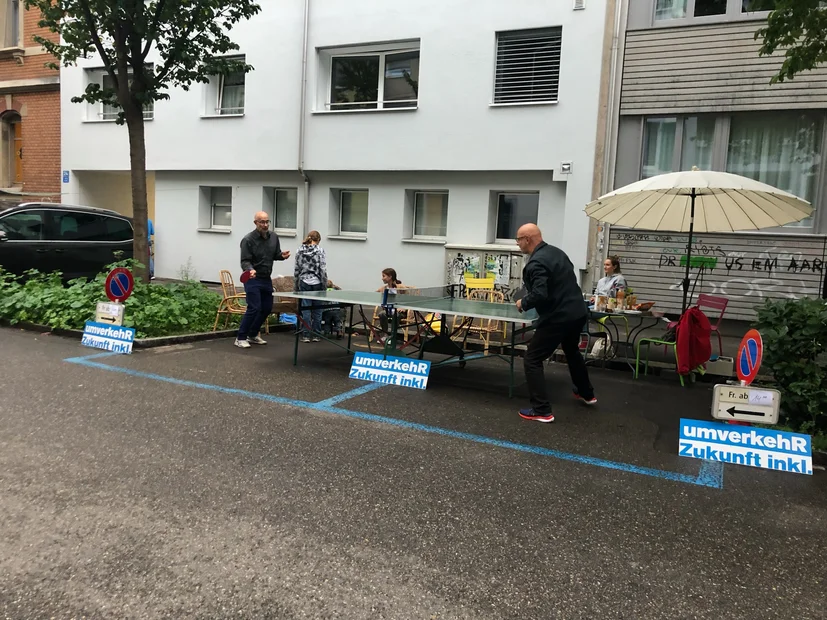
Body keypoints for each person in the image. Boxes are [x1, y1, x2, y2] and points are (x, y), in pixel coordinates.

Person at [515, 224, 596, 423]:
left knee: (532, 359)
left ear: (527, 239)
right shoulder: (557, 253)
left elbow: (540, 293)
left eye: (518, 240)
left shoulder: (536, 263)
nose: (517, 244)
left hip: (558, 317)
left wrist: (523, 302)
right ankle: (587, 393)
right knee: (571, 350)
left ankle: (542, 410)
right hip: (577, 313)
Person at [235, 211, 290, 349]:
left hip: (266, 278)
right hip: (252, 278)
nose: (265, 225)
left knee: (266, 308)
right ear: (256, 223)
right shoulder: (248, 240)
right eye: (262, 222)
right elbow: (245, 261)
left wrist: (281, 256)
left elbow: (275, 254)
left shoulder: (274, 237)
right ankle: (240, 337)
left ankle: (253, 334)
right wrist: (250, 269)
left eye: (267, 222)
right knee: (254, 307)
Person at [294, 230, 327, 343]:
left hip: (304, 281)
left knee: (306, 309)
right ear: (318, 240)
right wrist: (324, 284)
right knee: (318, 309)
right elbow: (322, 269)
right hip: (317, 282)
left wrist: (296, 284)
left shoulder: (299, 250)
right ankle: (317, 334)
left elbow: (297, 269)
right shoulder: (320, 250)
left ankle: (306, 335)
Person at [374, 268, 405, 342]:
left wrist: (403, 308)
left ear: (390, 277)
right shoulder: (384, 288)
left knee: (396, 315)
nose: (382, 278)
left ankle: (393, 335)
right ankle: (385, 335)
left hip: (400, 311)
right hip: (388, 310)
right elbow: (374, 295)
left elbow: (408, 299)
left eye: (384, 276)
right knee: (382, 314)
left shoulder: (400, 287)